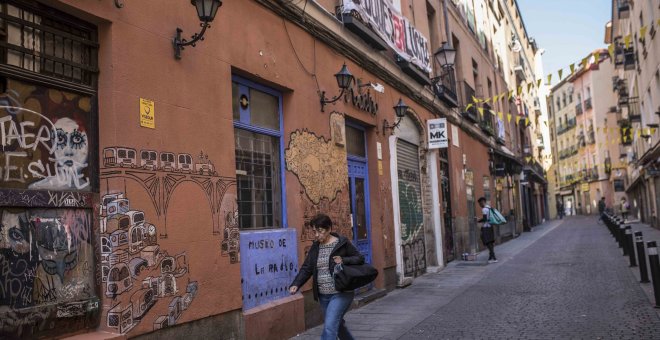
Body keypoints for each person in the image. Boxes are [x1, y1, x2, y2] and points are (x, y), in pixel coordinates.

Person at [289, 213, 364, 340]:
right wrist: (296, 283)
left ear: (329, 229)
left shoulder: (342, 243)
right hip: (323, 295)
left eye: (320, 231)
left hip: (341, 292)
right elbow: (307, 267)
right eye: (314, 231)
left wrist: (344, 260)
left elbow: (359, 258)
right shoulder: (315, 247)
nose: (317, 235)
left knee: (329, 327)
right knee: (337, 325)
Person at [476, 197, 497, 263]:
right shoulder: (489, 207)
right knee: (490, 242)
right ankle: (491, 257)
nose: (480, 205)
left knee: (487, 242)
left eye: (480, 203)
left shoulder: (484, 209)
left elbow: (485, 219)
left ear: (482, 202)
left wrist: (478, 220)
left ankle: (493, 257)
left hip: (486, 227)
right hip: (490, 226)